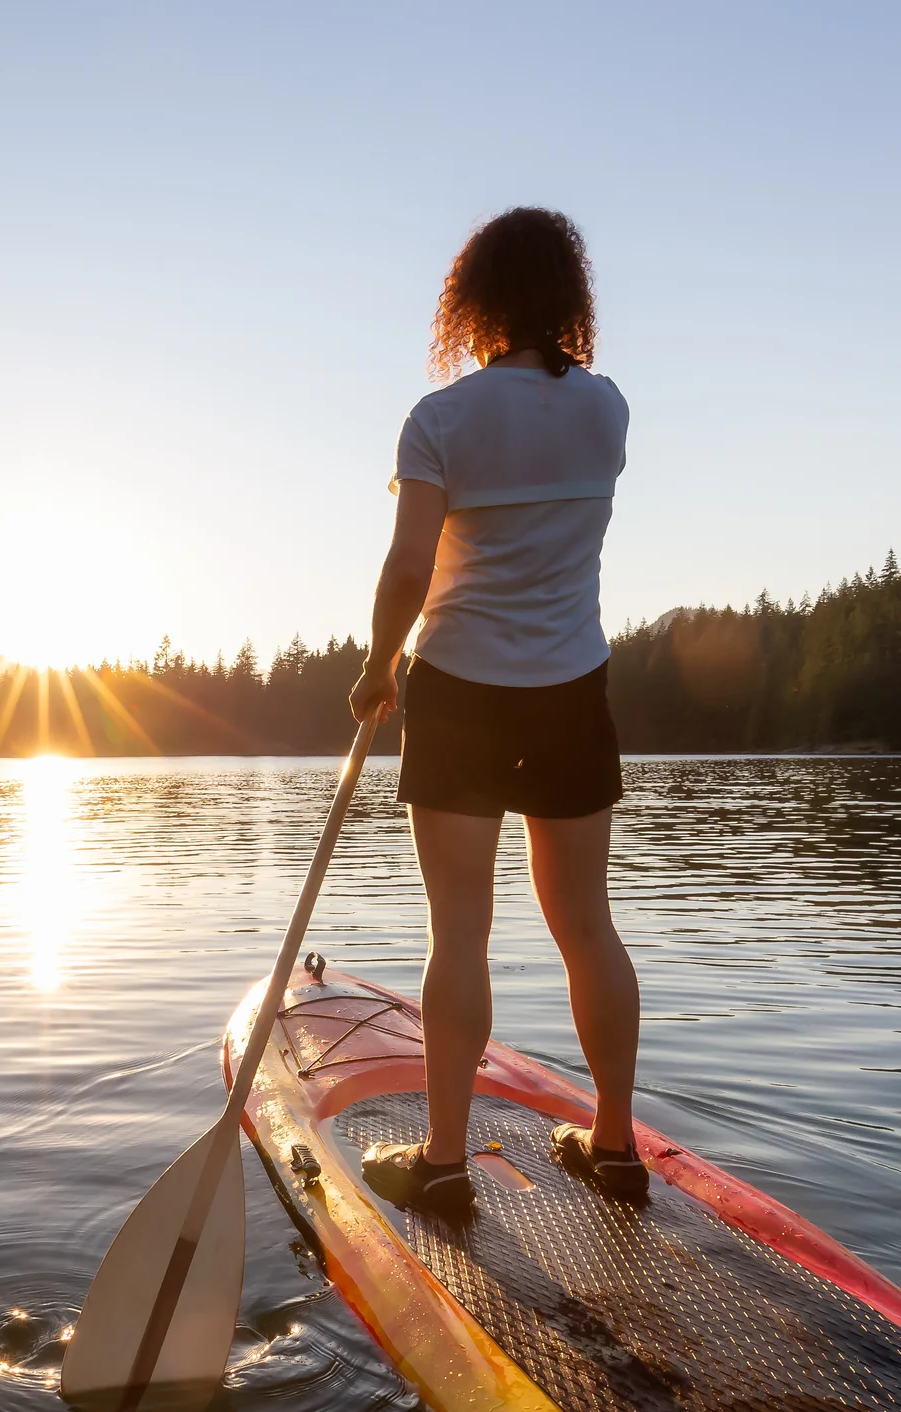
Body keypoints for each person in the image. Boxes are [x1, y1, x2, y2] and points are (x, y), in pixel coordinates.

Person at [345, 207, 645, 1216]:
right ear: (568, 298)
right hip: (572, 690)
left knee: (458, 933)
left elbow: (405, 565)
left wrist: (375, 667)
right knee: (586, 926)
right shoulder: (607, 410)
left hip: (462, 691)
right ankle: (611, 1143)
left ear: (470, 302)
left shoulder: (440, 419)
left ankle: (443, 1162)